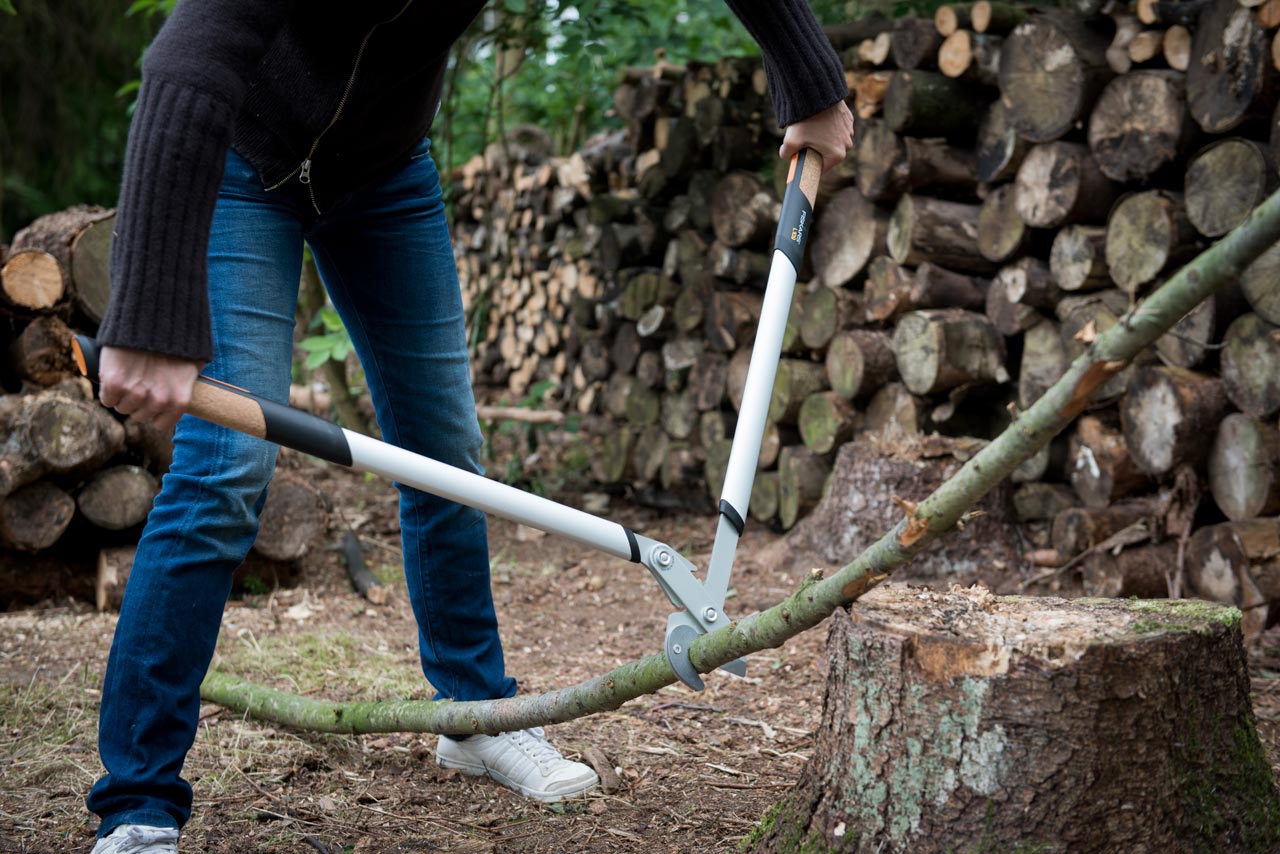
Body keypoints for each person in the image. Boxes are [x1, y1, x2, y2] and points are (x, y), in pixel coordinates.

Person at [85, 1, 853, 851]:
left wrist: (809, 79)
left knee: (446, 453)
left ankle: (475, 712)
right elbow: (187, 61)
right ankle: (140, 803)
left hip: (383, 175)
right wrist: (152, 317)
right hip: (241, 162)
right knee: (226, 468)